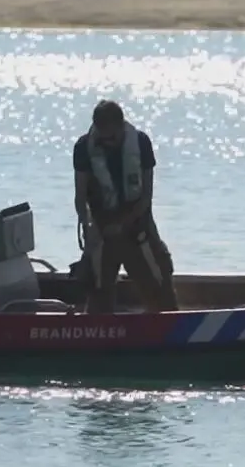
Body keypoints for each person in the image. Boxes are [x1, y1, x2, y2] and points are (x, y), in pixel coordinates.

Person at [74, 99, 177, 314]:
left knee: (159, 284)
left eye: (111, 138)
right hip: (102, 228)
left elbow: (146, 195)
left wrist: (123, 224)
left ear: (121, 127)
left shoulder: (140, 143)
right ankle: (98, 336)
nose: (107, 143)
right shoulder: (84, 147)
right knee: (98, 291)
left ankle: (166, 328)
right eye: (102, 139)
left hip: (137, 224)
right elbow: (80, 195)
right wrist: (87, 228)